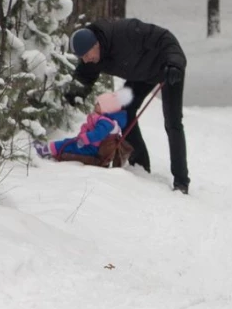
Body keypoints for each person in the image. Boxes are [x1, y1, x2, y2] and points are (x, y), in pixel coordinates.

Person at [63, 19, 190, 194]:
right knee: (125, 111)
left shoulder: (125, 33)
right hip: (142, 75)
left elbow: (164, 38)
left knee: (172, 122)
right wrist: (74, 94)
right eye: (82, 57)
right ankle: (140, 165)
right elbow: (83, 78)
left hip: (168, 69)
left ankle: (181, 181)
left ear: (96, 44)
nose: (86, 60)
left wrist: (174, 63)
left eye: (87, 55)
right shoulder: (92, 56)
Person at [36, 89, 131, 160]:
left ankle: (45, 150)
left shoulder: (106, 122)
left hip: (92, 148)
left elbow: (98, 134)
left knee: (68, 144)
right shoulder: (104, 119)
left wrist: (85, 138)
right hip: (89, 145)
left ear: (106, 108)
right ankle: (52, 150)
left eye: (98, 104)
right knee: (68, 142)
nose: (95, 105)